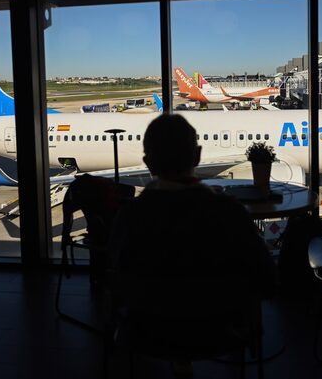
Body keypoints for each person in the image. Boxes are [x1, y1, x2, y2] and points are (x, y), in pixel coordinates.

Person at [107, 114, 275, 377]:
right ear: (197, 156)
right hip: (220, 330)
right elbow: (267, 279)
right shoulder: (228, 211)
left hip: (148, 332)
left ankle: (179, 361)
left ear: (148, 163)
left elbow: (117, 278)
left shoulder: (130, 215)